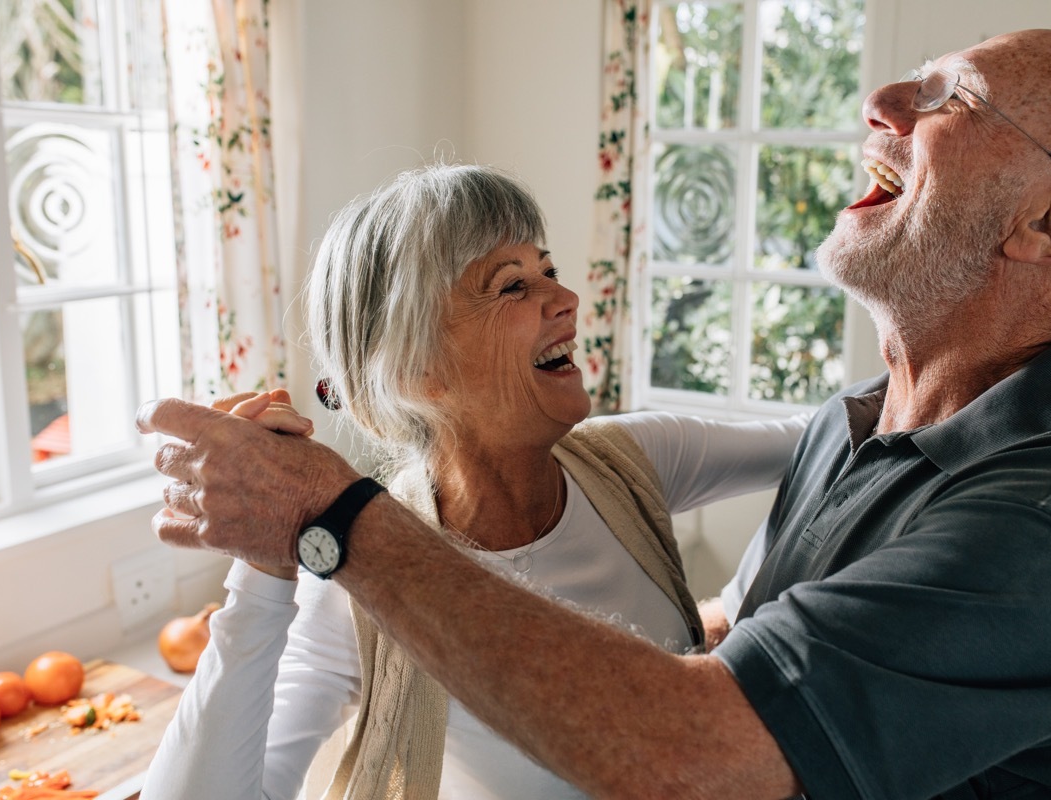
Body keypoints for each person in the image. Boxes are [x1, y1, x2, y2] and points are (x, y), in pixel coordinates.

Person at [138, 29, 1051, 798]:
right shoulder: (854, 425)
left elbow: (698, 742)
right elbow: (756, 644)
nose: (884, 97)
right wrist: (281, 558)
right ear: (412, 369)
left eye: (955, 96)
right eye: (509, 283)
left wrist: (332, 520)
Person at [139, 163, 808, 799]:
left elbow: (838, 442)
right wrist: (262, 568)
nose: (568, 300)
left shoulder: (634, 461)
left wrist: (747, 608)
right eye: (513, 285)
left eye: (549, 270)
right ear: (415, 370)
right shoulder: (353, 578)